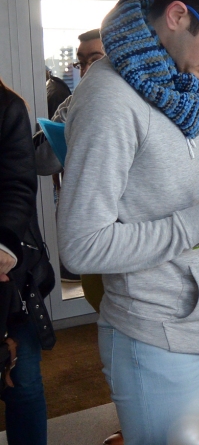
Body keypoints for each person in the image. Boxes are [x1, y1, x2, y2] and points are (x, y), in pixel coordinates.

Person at [56, 0, 199, 442]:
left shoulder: (187, 88)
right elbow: (82, 246)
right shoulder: (109, 100)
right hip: (156, 333)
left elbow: (176, 195)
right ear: (178, 16)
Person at [0, 78, 57, 445]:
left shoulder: (6, 105)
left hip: (9, 275)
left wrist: (2, 245)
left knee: (23, 383)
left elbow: (17, 185)